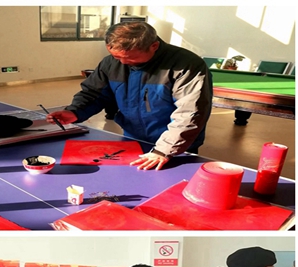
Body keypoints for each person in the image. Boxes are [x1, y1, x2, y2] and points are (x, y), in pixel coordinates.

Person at [47, 21, 212, 170]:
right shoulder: (110, 63)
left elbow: (190, 113)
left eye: (131, 57)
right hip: (133, 140)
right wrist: (75, 111)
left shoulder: (187, 65)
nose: (123, 63)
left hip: (175, 146)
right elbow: (94, 93)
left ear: (154, 46)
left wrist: (164, 150)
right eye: (116, 56)